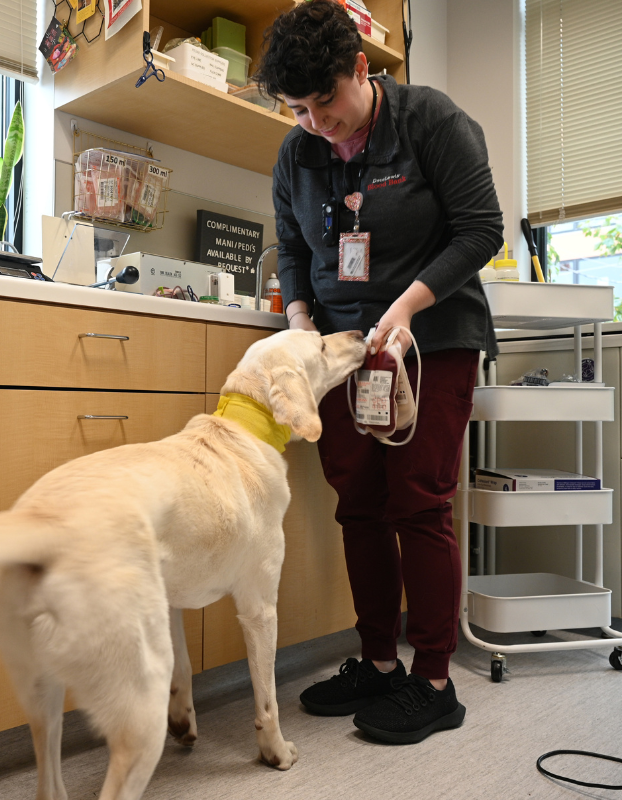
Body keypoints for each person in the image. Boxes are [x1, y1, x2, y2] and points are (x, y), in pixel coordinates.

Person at [253, 0, 503, 745]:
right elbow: (293, 247)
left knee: (418, 504)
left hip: (429, 339)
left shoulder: (431, 121)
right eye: (297, 109)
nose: (314, 122)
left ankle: (433, 679)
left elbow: (481, 228)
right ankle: (378, 663)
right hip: (342, 349)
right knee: (356, 504)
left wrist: (407, 307)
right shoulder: (297, 153)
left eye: (325, 101)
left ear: (361, 68)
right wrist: (300, 323)